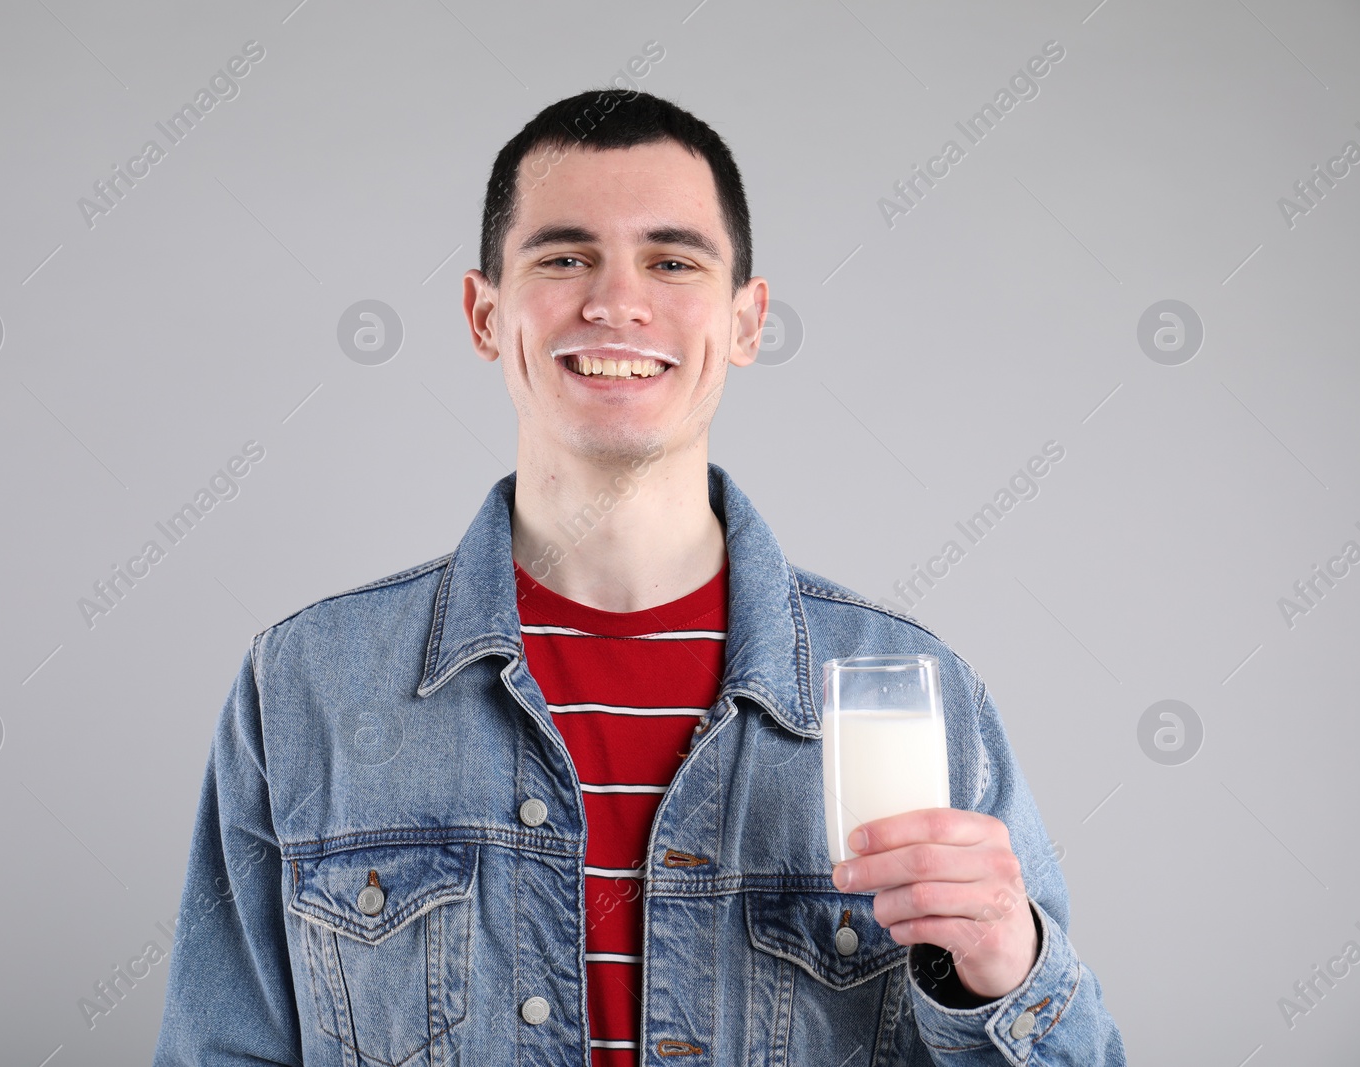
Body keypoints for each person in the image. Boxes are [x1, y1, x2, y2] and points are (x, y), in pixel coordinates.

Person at [153, 88, 1126, 1065]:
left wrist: (1011, 964)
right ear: (484, 314)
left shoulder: (911, 687)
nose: (615, 301)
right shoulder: (305, 683)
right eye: (564, 256)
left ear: (746, 322)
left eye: (671, 260)